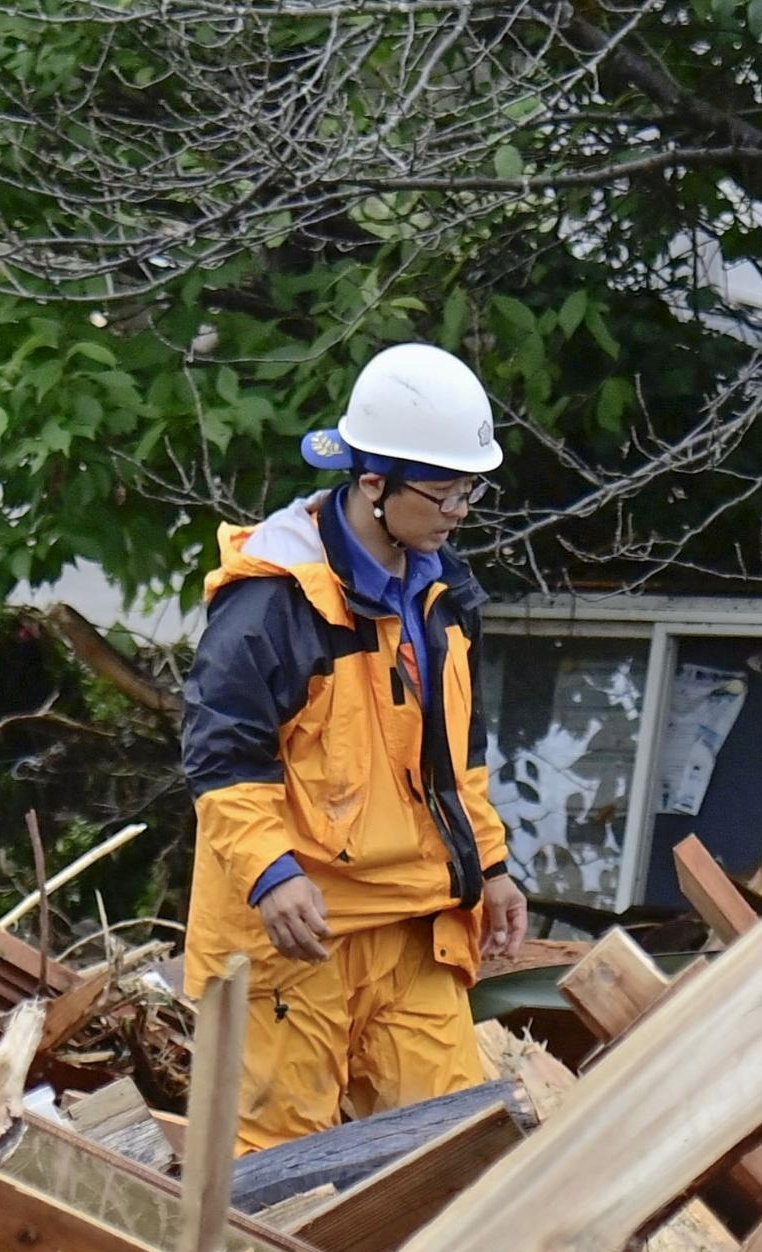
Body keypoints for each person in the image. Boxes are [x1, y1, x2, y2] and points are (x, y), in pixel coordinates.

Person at [181, 342, 531, 1152]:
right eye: (443, 492)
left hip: (413, 927)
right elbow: (223, 759)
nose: (460, 510)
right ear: (372, 482)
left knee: (455, 1159)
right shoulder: (273, 602)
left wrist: (493, 868)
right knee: (275, 1178)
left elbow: (458, 758)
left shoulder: (445, 597)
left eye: (471, 489)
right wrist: (271, 874)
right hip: (291, 938)